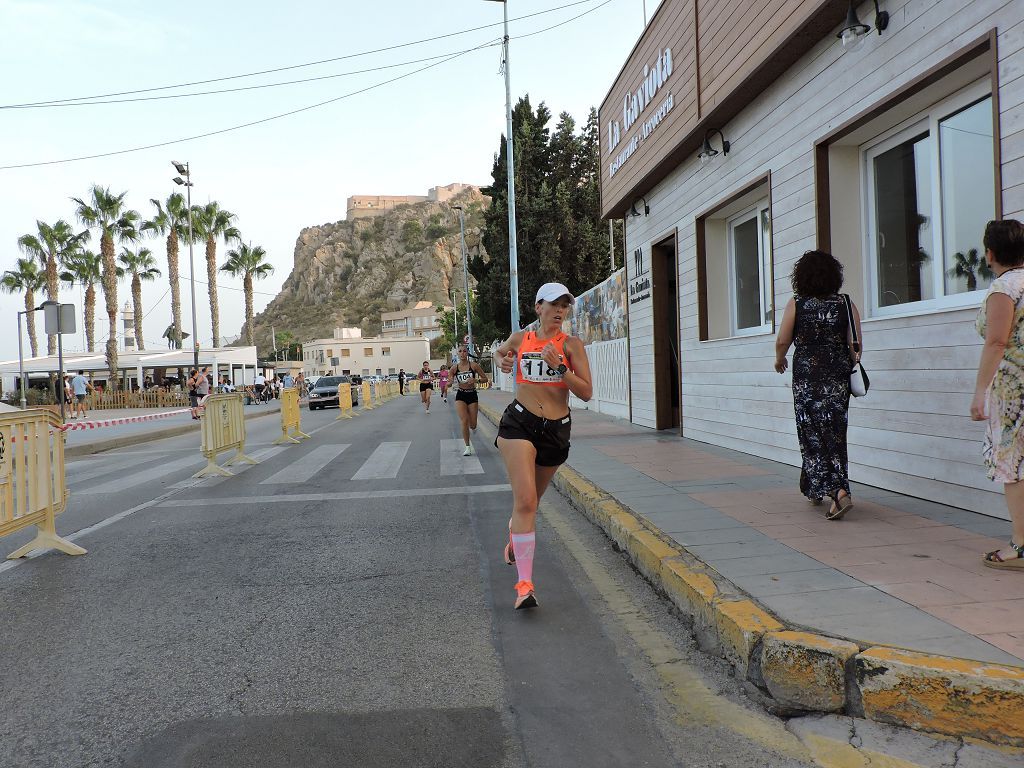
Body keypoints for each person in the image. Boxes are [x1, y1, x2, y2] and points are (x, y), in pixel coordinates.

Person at [494, 282, 593, 609]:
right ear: (538, 308)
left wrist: (561, 368)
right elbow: (500, 352)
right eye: (554, 304)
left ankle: (514, 532)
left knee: (531, 505)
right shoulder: (522, 338)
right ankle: (524, 586)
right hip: (519, 423)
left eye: (565, 305)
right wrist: (502, 361)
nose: (560, 311)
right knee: (524, 501)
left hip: (555, 431)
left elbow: (586, 392)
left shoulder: (572, 345)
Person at [774, 250, 862, 520]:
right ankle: (813, 485)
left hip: (807, 380)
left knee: (811, 433)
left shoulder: (797, 303)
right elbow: (856, 345)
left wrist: (779, 359)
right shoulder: (845, 303)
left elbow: (782, 340)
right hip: (837, 377)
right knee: (834, 433)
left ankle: (838, 492)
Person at [971, 219, 1024, 570]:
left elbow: (996, 341)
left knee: (1014, 465)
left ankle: (1021, 545)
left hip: (1012, 394)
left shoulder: (1004, 289)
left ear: (990, 253)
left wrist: (980, 391)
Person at [451, 344, 488, 456]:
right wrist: (448, 383)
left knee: (473, 424)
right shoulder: (454, 368)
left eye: (465, 351)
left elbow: (485, 379)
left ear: (467, 353)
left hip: (472, 395)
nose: (462, 353)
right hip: (461, 395)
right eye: (460, 351)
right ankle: (467, 447)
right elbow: (449, 380)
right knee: (464, 421)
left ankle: (473, 427)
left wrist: (475, 381)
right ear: (457, 353)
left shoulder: (474, 366)